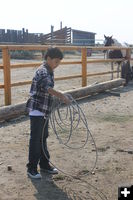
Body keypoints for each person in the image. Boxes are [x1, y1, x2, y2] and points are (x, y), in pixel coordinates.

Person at [26, 47, 69, 179]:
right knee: (36, 140)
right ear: (48, 58)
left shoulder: (49, 70)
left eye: (58, 63)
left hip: (43, 110)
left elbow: (48, 89)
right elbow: (48, 88)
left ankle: (44, 164)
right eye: (56, 62)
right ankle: (32, 168)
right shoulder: (43, 71)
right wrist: (61, 95)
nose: (57, 65)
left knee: (43, 137)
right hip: (37, 110)